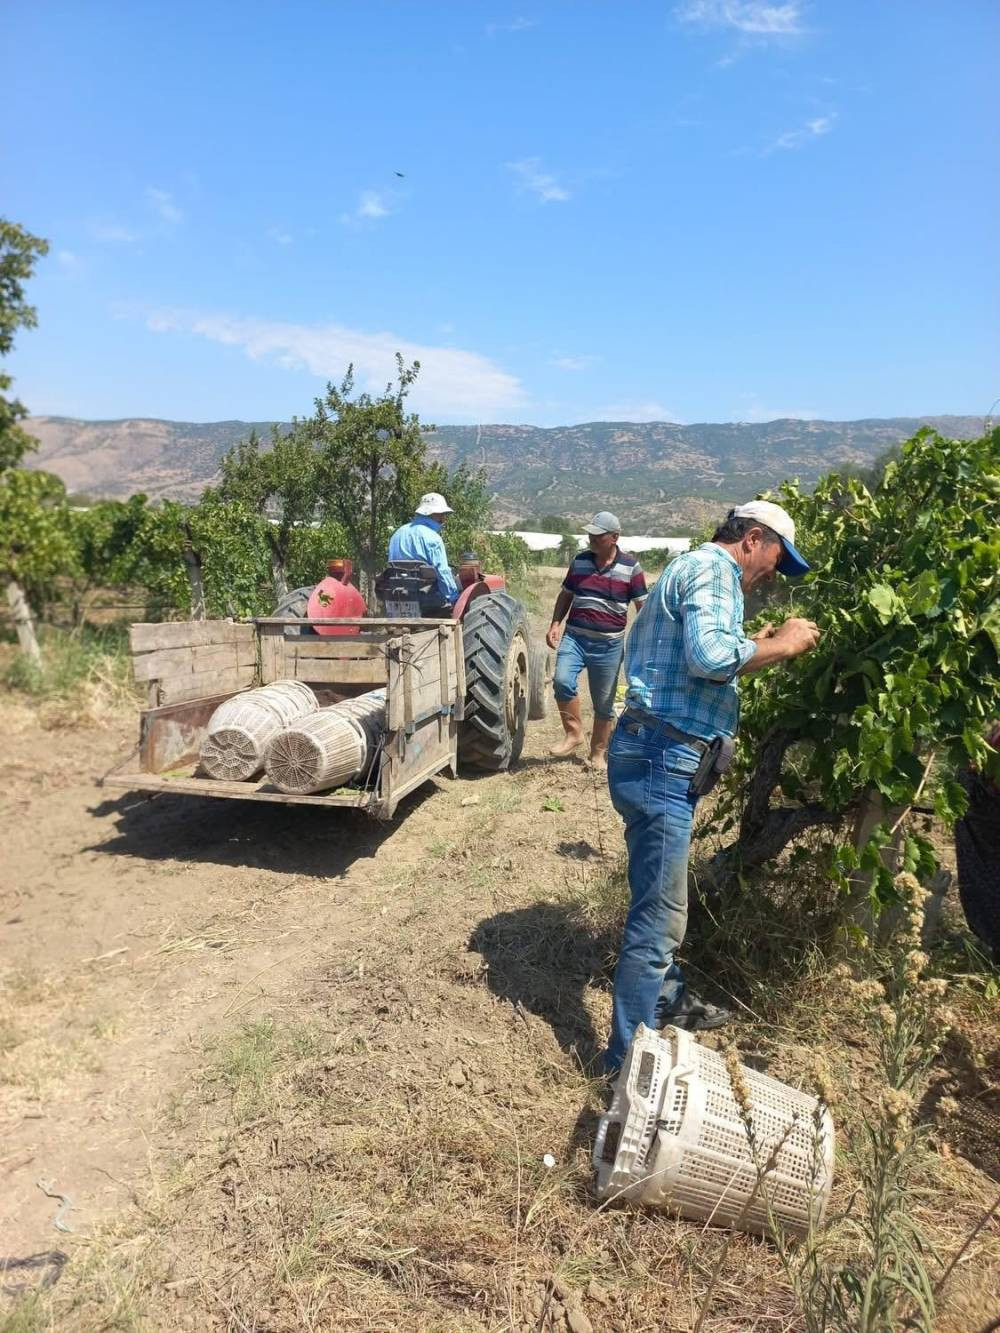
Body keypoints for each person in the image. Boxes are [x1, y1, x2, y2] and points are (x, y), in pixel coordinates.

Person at [604, 500, 821, 1076]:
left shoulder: (693, 567)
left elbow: (684, 652)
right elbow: (709, 657)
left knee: (656, 894)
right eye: (778, 557)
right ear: (753, 539)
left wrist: (758, 641)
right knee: (660, 916)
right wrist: (788, 643)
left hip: (654, 752)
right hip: (662, 758)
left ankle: (667, 1001)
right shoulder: (714, 571)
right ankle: (625, 1064)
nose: (776, 571)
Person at [546, 512, 647, 771]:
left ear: (614, 537)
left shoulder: (630, 567)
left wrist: (646, 637)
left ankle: (597, 755)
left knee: (603, 702)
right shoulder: (580, 562)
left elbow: (641, 606)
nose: (591, 538)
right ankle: (574, 734)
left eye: (598, 535)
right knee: (562, 681)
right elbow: (565, 595)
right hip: (575, 638)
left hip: (609, 646)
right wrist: (556, 623)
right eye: (590, 534)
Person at [388, 492, 460, 606]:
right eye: (441, 514)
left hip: (398, 593)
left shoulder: (398, 533)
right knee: (456, 585)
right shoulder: (433, 538)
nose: (443, 518)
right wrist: (454, 598)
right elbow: (442, 571)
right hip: (427, 598)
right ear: (431, 514)